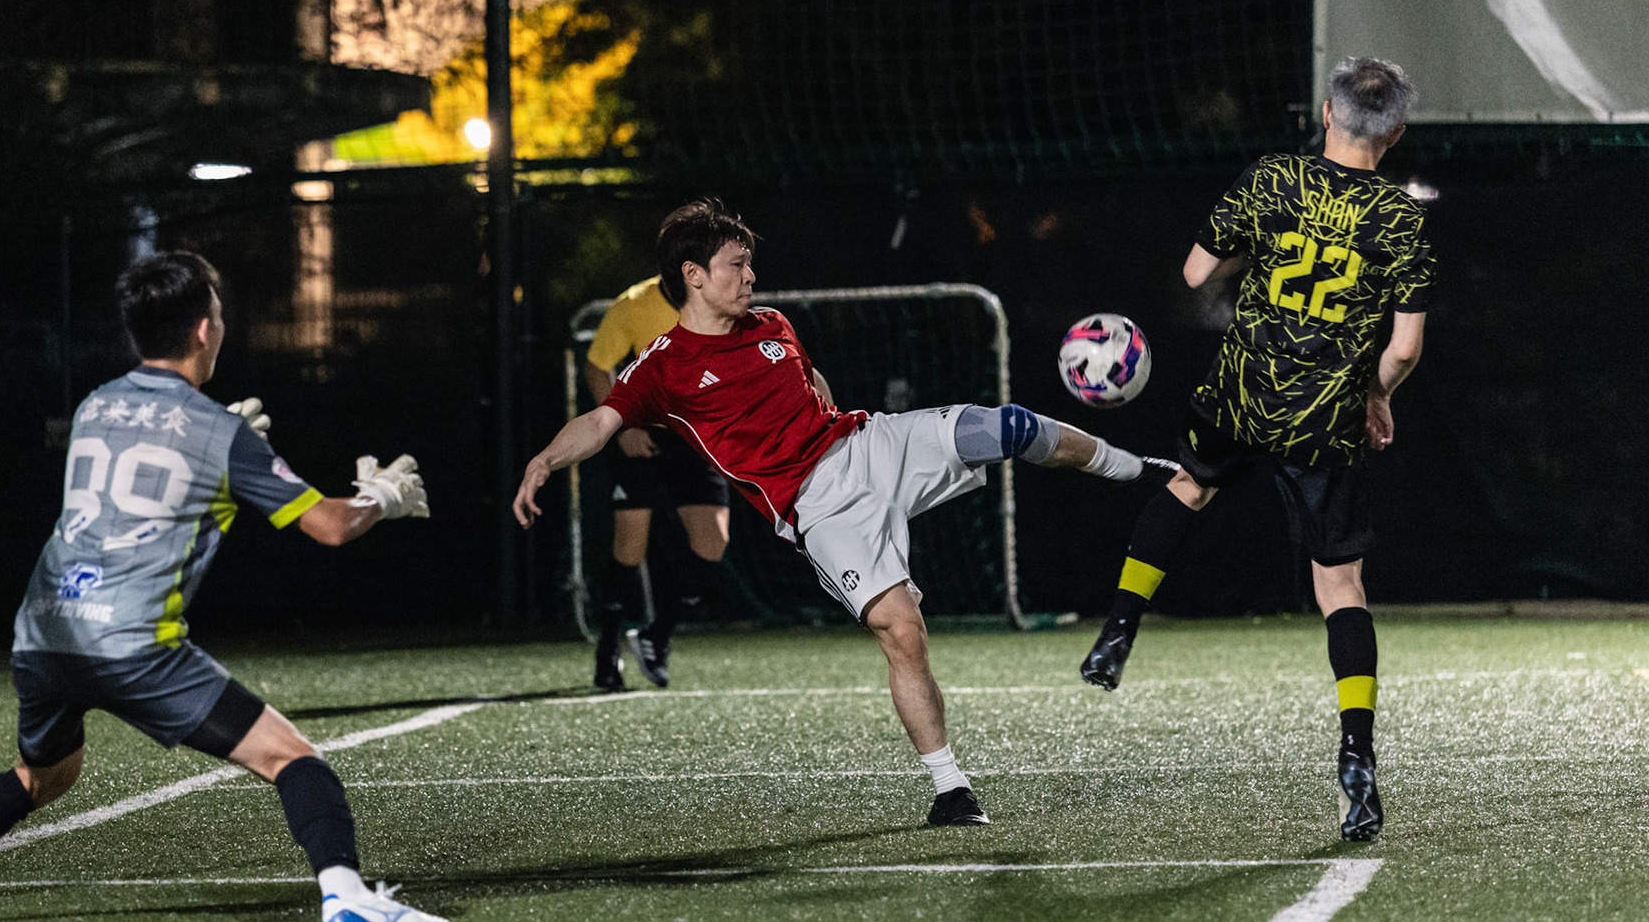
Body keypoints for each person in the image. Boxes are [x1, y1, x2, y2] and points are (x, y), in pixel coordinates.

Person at [0, 251, 450, 922]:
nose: (222, 325)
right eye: (219, 314)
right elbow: (331, 527)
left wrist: (210, 437)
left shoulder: (94, 404)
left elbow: (146, 467)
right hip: (132, 645)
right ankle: (345, 894)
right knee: (295, 759)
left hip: (44, 631)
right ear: (202, 330)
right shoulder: (220, 433)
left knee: (41, 778)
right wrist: (381, 497)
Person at [515, 198, 1171, 827]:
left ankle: (1137, 471)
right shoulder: (664, 367)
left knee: (1009, 426)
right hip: (817, 509)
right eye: (734, 266)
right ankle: (951, 789)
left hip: (866, 443)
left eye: (749, 263)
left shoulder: (771, 324)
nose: (750, 276)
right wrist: (545, 460)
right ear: (693, 275)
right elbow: (599, 422)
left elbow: (813, 384)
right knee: (902, 631)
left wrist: (828, 411)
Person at [1078, 57, 1434, 843]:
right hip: (1323, 413)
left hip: (1244, 388)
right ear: (1396, 133)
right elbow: (1404, 349)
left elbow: (1197, 271)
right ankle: (1357, 758)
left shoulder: (1274, 179)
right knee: (1341, 585)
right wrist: (1377, 392)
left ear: (1325, 112)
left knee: (1187, 488)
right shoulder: (1402, 220)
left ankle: (1119, 628)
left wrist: (1259, 249)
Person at [584, 273, 731, 691]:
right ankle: (608, 650)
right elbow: (597, 367)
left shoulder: (721, 299)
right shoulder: (634, 303)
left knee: (712, 542)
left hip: (695, 437)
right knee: (630, 546)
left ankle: (654, 636)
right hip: (642, 435)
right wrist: (624, 426)